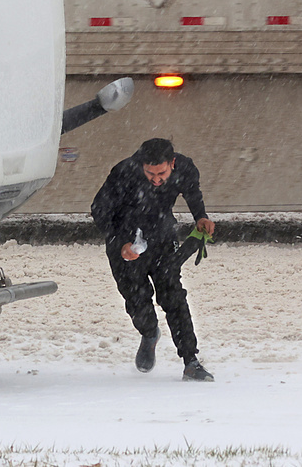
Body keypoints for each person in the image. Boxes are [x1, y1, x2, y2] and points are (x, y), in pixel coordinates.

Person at [90, 138, 217, 381]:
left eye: (162, 173)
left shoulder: (185, 168)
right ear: (141, 166)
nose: (156, 179)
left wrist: (200, 216)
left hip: (161, 238)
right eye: (150, 173)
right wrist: (120, 244)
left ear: (172, 163)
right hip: (125, 242)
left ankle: (191, 361)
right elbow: (99, 209)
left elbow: (192, 191)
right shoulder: (123, 172)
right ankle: (149, 334)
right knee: (138, 302)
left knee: (174, 297)